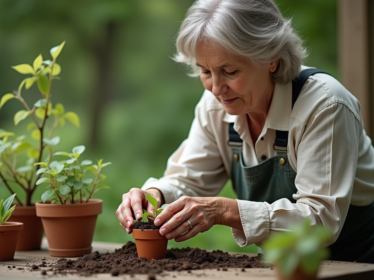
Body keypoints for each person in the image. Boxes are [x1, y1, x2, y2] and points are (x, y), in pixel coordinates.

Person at [116, 0, 374, 262]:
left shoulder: (325, 106)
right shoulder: (216, 106)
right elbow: (190, 178)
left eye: (230, 71)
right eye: (205, 71)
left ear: (271, 60)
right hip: (278, 265)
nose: (216, 88)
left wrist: (223, 210)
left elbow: (321, 220)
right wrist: (155, 195)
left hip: (353, 264)